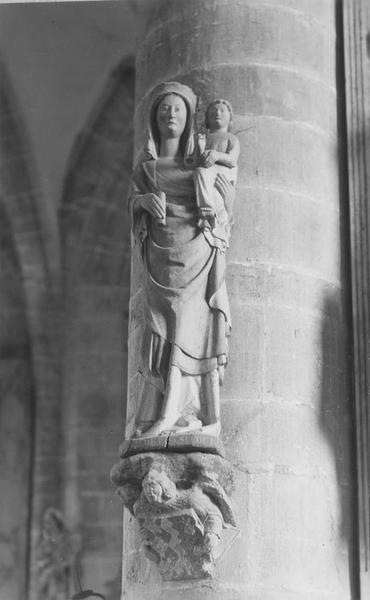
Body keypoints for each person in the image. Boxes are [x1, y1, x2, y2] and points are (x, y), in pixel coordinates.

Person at [129, 81, 235, 438]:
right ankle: (159, 412)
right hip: (160, 259)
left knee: (191, 329)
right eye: (163, 109)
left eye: (177, 109)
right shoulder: (146, 169)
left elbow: (223, 200)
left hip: (196, 254)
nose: (170, 115)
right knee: (157, 331)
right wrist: (143, 203)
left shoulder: (200, 165)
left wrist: (212, 187)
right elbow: (134, 203)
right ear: (153, 120)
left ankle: (183, 413)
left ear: (189, 118)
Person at [194, 99, 240, 248]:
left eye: (222, 111)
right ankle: (206, 209)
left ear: (230, 118)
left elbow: (232, 160)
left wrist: (216, 155)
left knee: (203, 173)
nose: (217, 113)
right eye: (213, 112)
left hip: (224, 173)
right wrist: (200, 148)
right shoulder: (205, 138)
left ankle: (216, 217)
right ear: (206, 119)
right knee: (200, 172)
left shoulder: (231, 139)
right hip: (208, 172)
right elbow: (197, 163)